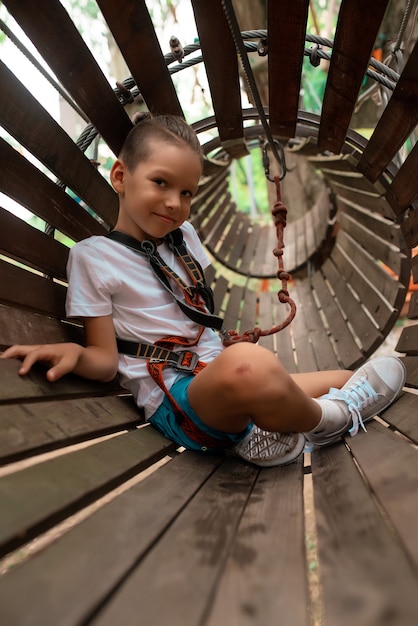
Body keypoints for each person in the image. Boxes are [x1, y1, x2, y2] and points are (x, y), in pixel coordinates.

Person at [0, 113, 406, 467]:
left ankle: (286, 423)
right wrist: (76, 352)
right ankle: (329, 421)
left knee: (350, 375)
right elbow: (106, 362)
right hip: (180, 401)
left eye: (187, 192)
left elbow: (200, 319)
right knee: (249, 364)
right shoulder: (94, 257)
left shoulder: (185, 237)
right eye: (161, 183)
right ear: (121, 176)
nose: (175, 203)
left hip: (222, 377)